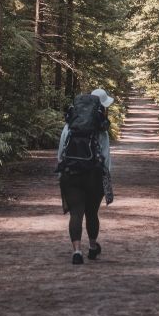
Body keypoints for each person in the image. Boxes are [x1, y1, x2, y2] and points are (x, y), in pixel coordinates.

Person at [56, 88, 114, 264]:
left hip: (71, 174)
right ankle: (93, 246)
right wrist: (106, 181)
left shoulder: (70, 125)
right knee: (91, 213)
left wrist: (61, 175)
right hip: (93, 176)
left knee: (76, 213)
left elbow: (61, 153)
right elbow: (105, 158)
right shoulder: (101, 128)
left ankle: (77, 251)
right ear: (101, 106)